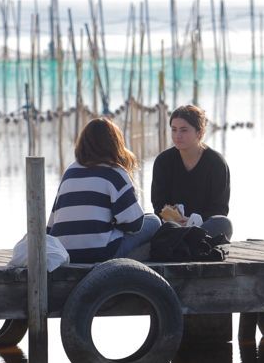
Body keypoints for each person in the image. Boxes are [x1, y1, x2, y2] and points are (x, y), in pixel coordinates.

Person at [48, 117, 161, 263]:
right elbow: (134, 225)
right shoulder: (114, 173)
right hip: (100, 253)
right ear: (115, 143)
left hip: (63, 253)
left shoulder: (70, 171)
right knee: (153, 221)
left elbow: (50, 227)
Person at [150, 104, 232, 241]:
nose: (178, 136)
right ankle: (182, 243)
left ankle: (188, 243)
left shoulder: (216, 163)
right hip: (172, 226)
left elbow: (220, 209)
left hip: (203, 228)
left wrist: (194, 220)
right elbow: (158, 203)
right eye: (174, 130)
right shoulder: (163, 161)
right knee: (150, 221)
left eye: (184, 130)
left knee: (224, 224)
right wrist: (173, 217)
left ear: (199, 133)